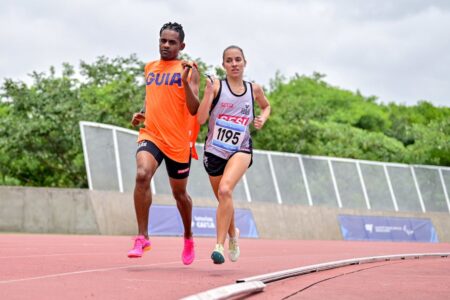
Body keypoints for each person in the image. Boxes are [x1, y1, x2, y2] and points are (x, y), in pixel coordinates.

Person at [128, 22, 200, 265]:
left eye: (171, 42)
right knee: (141, 175)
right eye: (163, 41)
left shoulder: (189, 69)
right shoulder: (150, 68)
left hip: (178, 142)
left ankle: (188, 236)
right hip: (152, 134)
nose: (166, 45)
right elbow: (154, 99)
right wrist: (142, 113)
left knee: (179, 194)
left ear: (182, 45)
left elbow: (194, 108)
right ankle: (142, 237)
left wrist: (183, 81)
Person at [197, 45, 271, 264]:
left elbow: (266, 107)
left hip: (240, 149)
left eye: (238, 59)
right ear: (224, 65)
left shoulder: (253, 89)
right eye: (229, 60)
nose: (234, 64)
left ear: (245, 63)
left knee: (225, 189)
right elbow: (201, 120)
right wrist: (208, 94)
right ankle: (233, 236)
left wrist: (262, 119)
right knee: (224, 198)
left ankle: (218, 245)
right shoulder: (217, 86)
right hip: (215, 150)